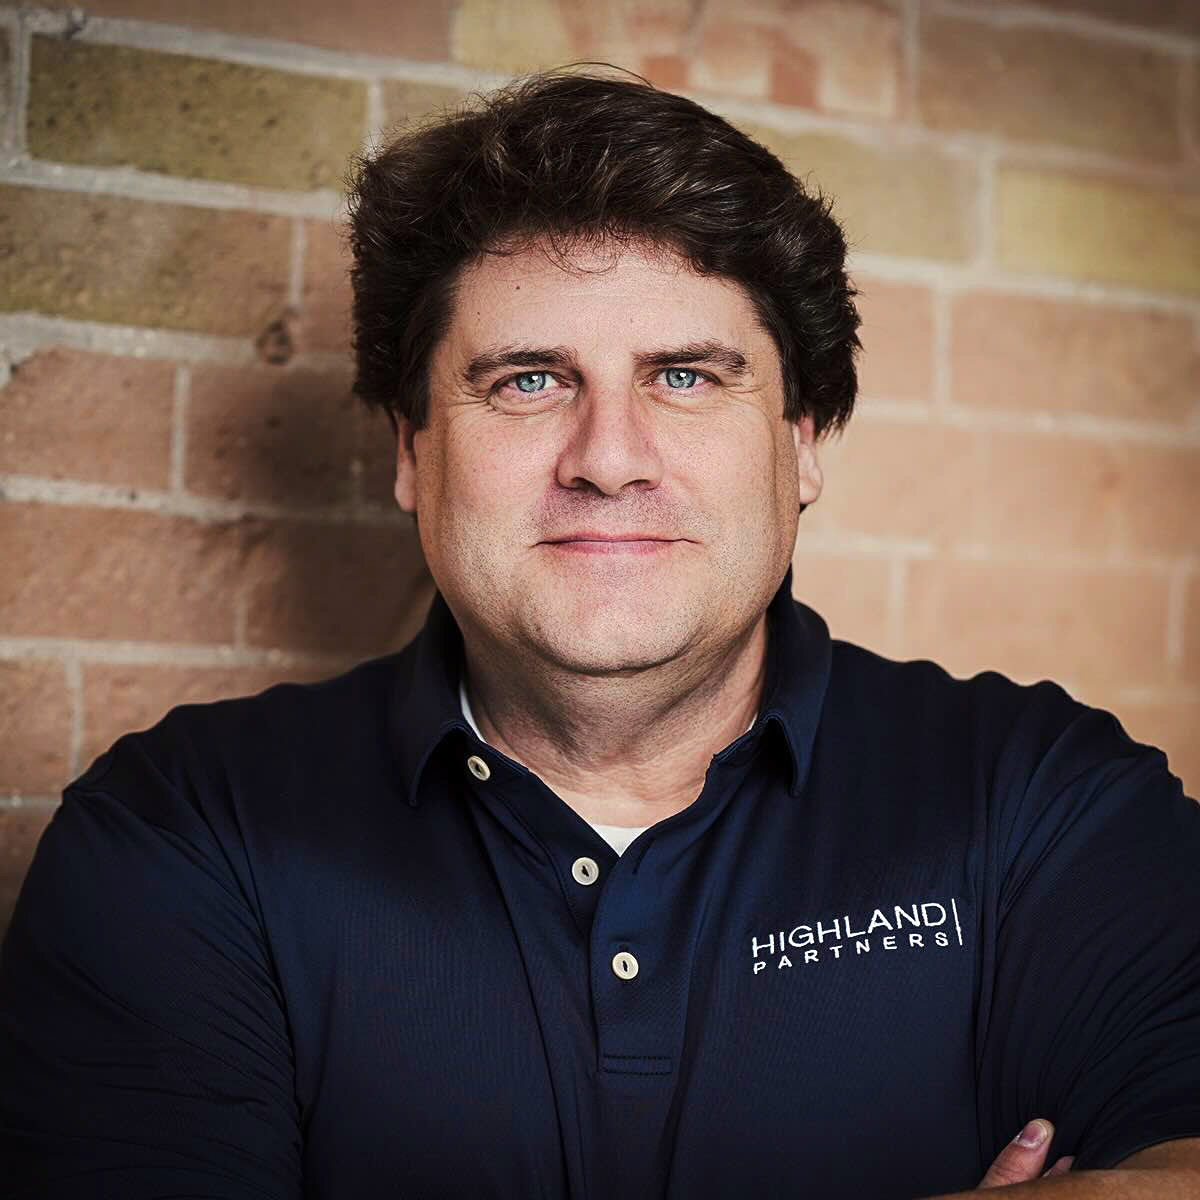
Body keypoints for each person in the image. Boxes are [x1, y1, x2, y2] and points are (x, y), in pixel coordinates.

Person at [1, 67, 1198, 1200]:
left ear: (800, 444)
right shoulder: (184, 834)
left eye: (687, 376)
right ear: (413, 451)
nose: (610, 459)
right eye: (528, 380)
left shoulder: (1042, 800)